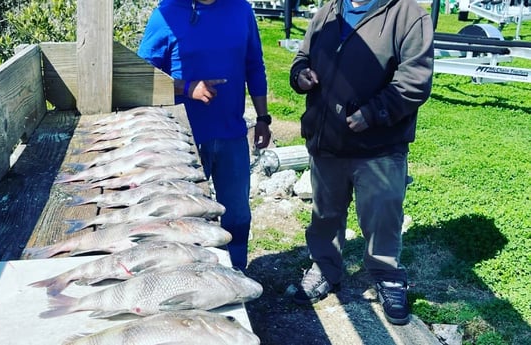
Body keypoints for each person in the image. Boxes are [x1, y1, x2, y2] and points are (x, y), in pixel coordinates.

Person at [288, 0, 434, 325]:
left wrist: (373, 113)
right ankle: (325, 267)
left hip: (378, 145)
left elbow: (416, 81)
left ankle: (387, 275)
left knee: (383, 214)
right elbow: (302, 57)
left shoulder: (408, 14)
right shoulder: (328, 11)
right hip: (327, 140)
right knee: (325, 213)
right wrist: (301, 75)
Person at [137, 0, 272, 271]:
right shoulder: (166, 14)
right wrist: (186, 87)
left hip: (231, 133)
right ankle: (187, 276)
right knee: (182, 219)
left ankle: (235, 273)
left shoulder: (241, 10)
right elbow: (141, 76)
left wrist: (263, 118)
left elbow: (254, 66)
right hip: (181, 143)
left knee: (237, 215)